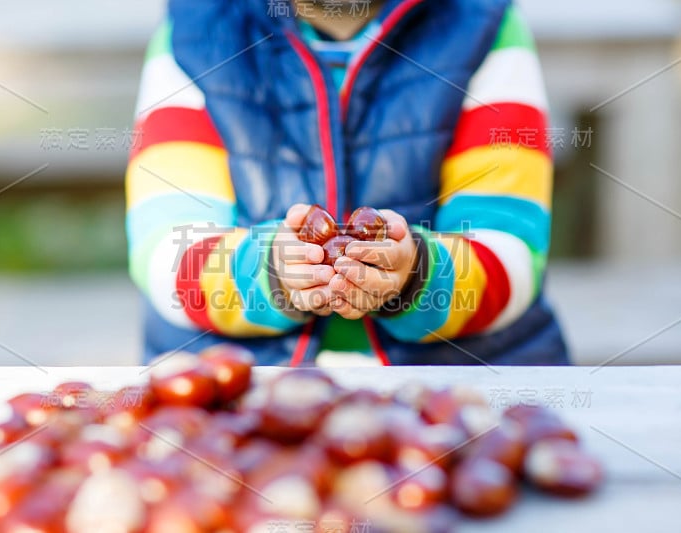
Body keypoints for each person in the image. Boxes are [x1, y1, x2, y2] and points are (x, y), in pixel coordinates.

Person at [126, 0, 569, 366]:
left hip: (461, 384)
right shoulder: (195, 33)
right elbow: (167, 251)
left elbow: (509, 251)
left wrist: (416, 274)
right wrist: (269, 272)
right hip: (240, 390)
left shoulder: (483, 25)